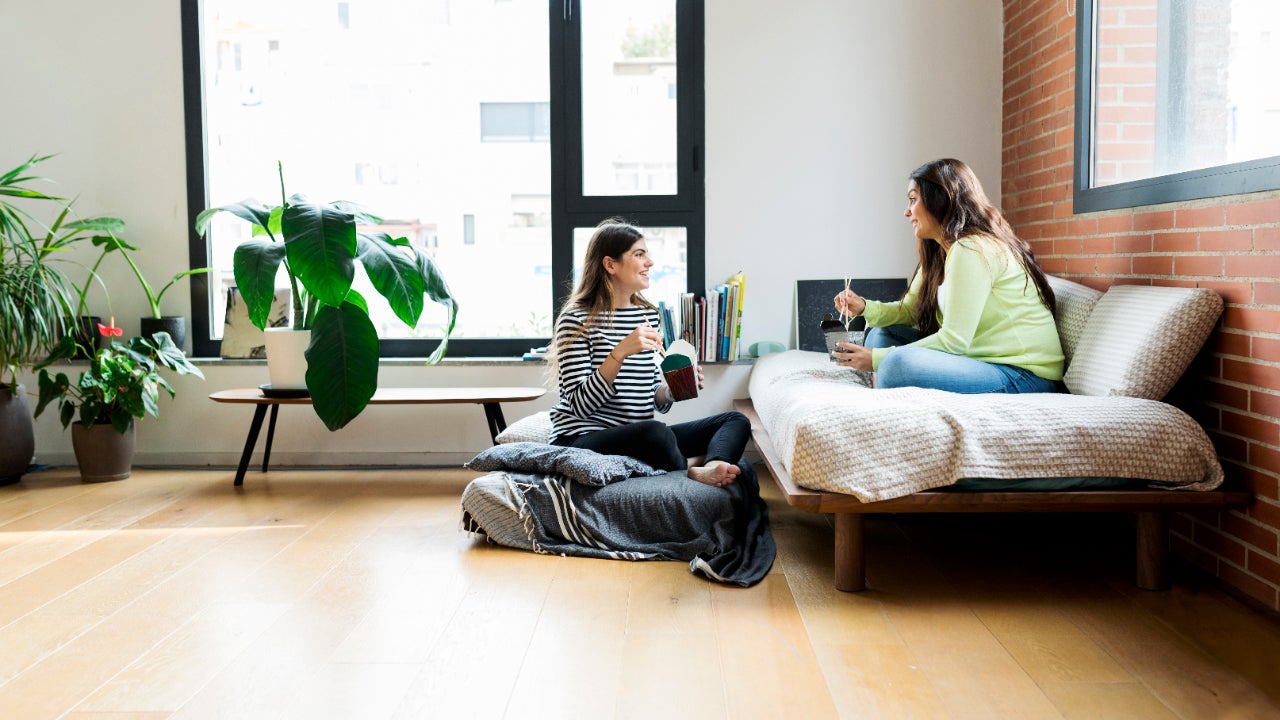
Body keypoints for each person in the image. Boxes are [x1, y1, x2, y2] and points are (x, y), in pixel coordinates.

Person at [832, 158, 1064, 393]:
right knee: (883, 333)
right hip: (978, 359)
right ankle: (889, 388)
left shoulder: (972, 250)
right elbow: (910, 311)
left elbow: (954, 340)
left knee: (894, 365)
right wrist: (864, 307)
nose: (906, 211)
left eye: (913, 200)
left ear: (940, 200)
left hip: (1023, 373)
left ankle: (887, 388)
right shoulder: (940, 253)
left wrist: (877, 359)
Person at [547, 219, 750, 487]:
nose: (650, 262)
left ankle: (710, 465)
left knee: (735, 420)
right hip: (583, 437)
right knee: (655, 433)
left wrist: (672, 390)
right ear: (610, 265)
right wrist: (618, 354)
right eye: (639, 254)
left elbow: (651, 391)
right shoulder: (576, 320)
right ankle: (688, 468)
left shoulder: (648, 316)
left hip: (637, 436)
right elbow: (579, 405)